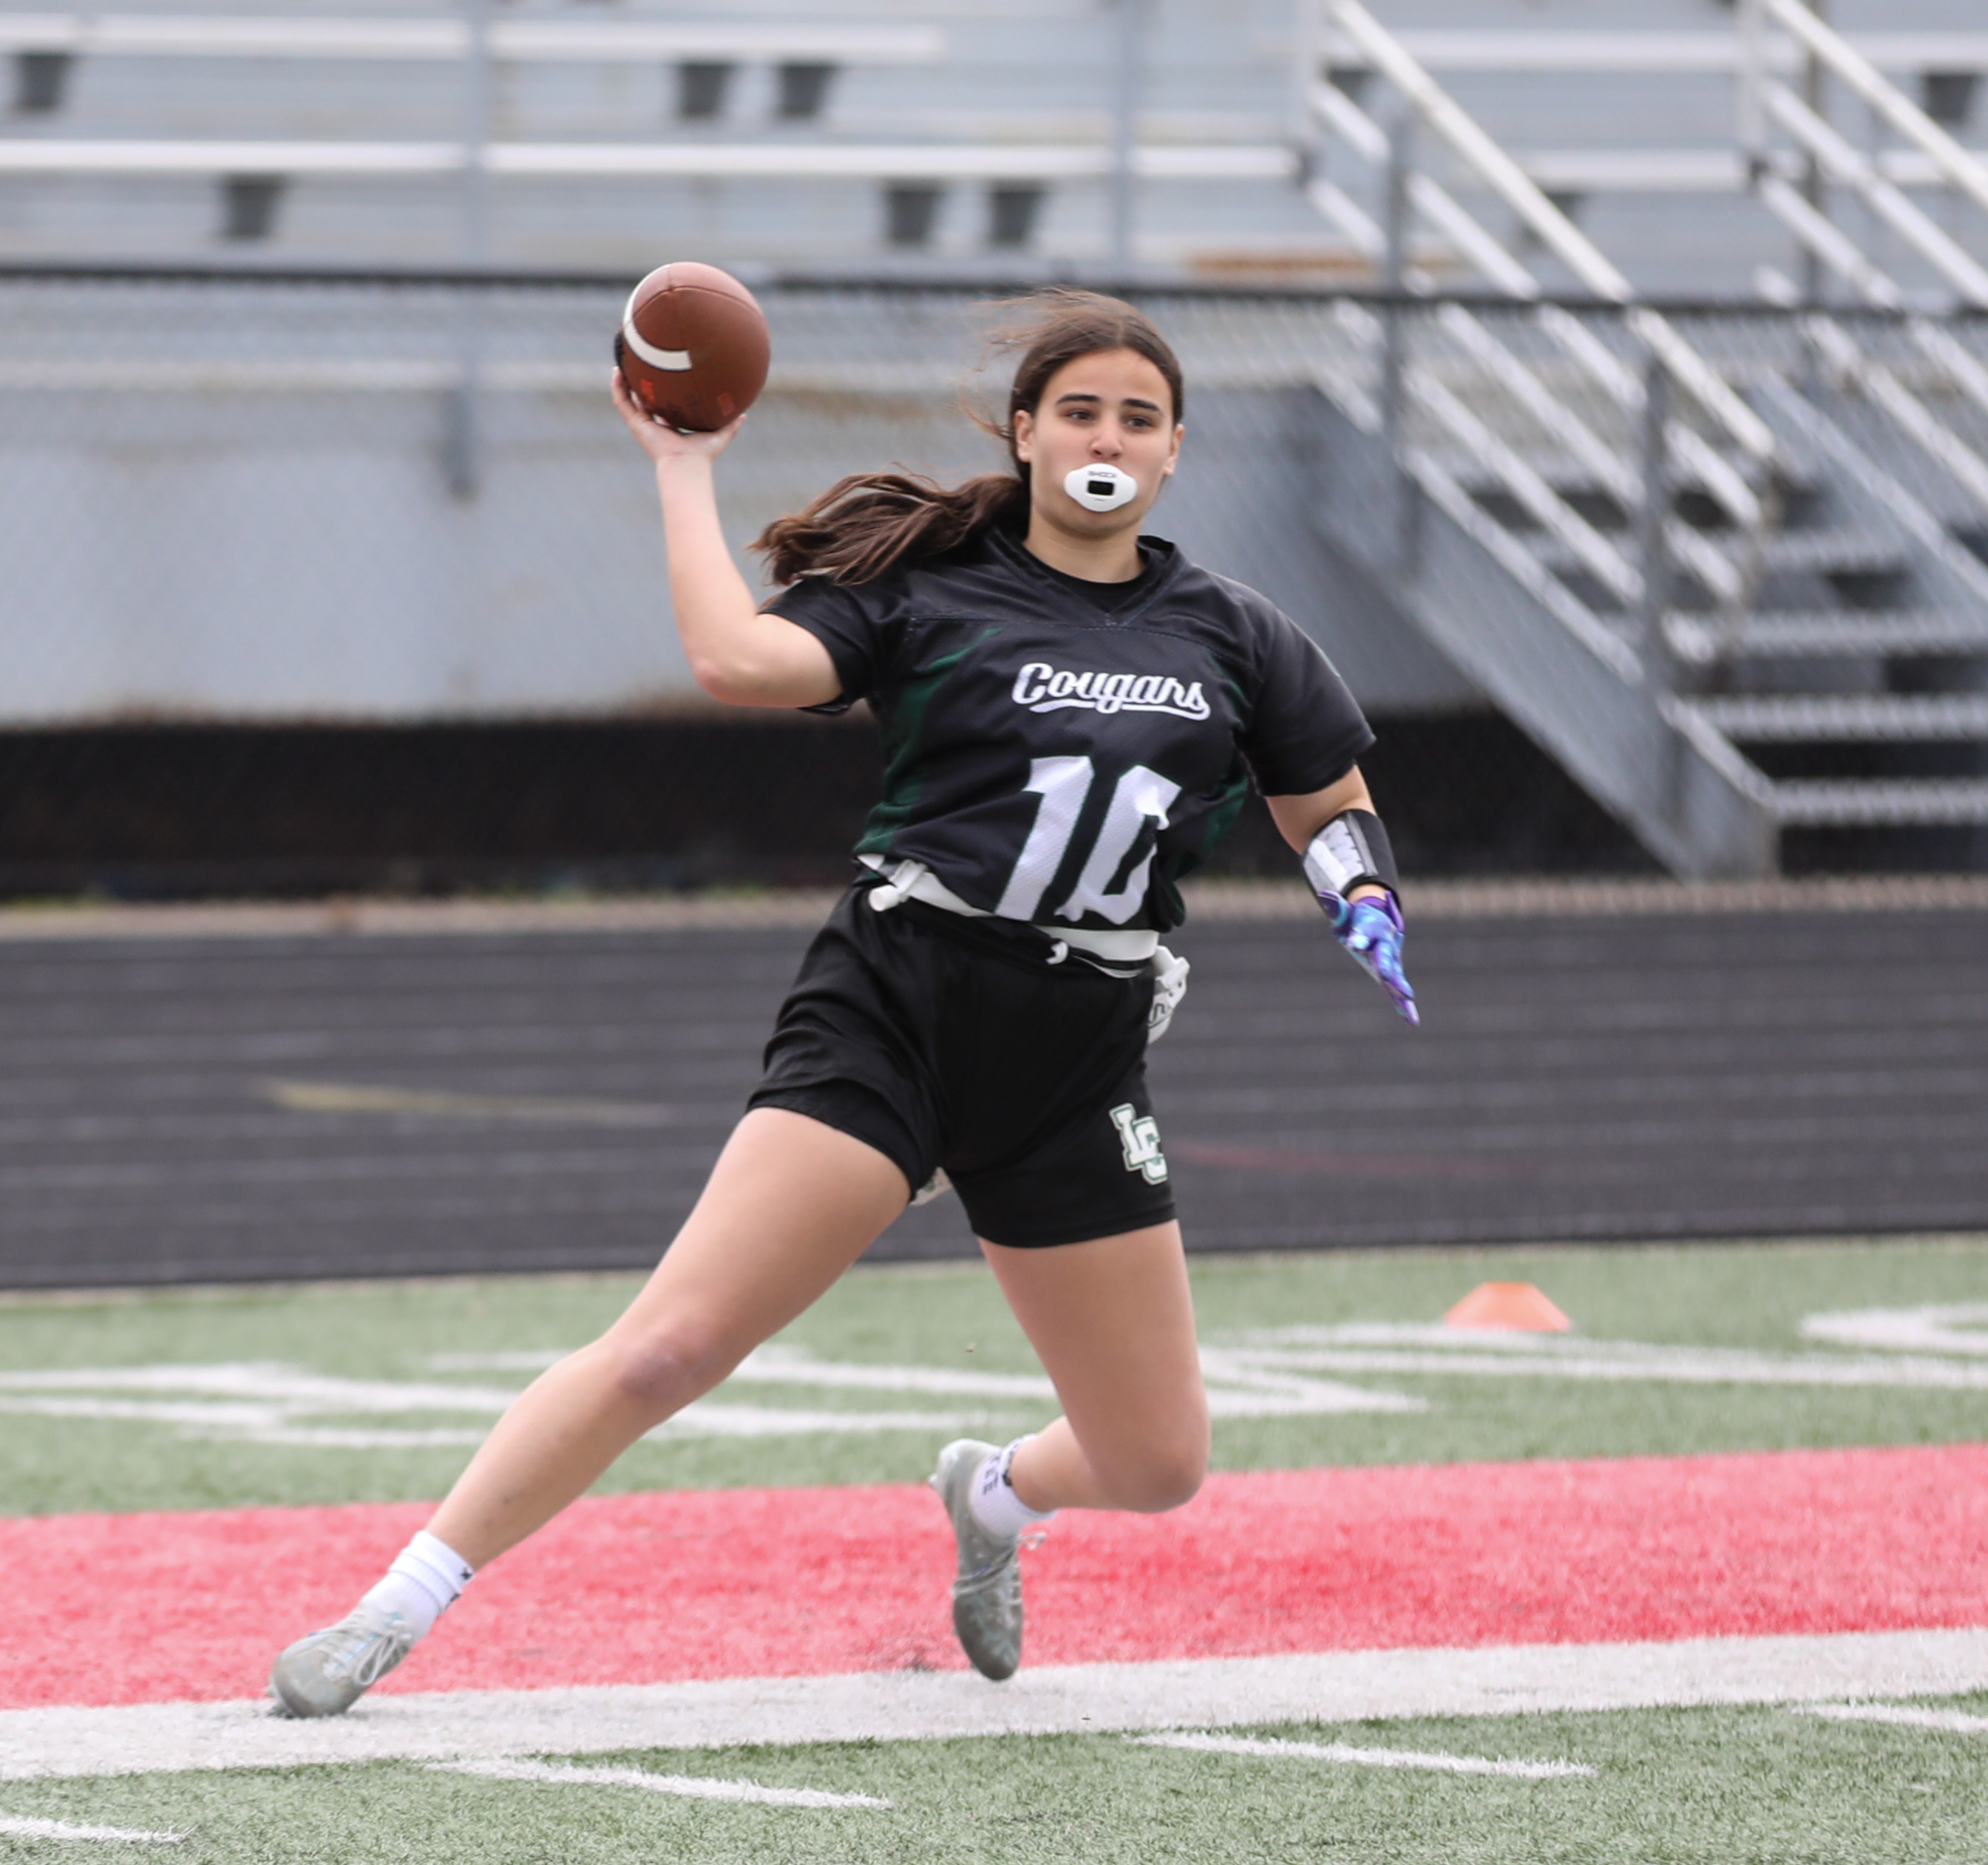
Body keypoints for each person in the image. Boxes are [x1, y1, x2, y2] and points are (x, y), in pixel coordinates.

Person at [269, 291, 1418, 1718]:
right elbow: (736, 662)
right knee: (675, 1343)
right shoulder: (937, 586)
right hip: (904, 1004)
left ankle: (992, 1497)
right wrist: (682, 467)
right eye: (1078, 409)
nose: (1106, 435)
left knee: (1156, 1463)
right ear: (1026, 432)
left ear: (1175, 450)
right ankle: (391, 1609)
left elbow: (1329, 801)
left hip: (1076, 1051)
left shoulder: (1236, 633)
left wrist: (1359, 894)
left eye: (1137, 415)